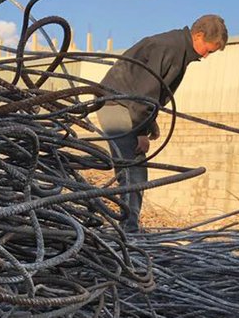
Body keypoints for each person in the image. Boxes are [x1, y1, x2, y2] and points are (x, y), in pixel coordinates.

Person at [97, 14, 228, 233]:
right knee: (131, 168)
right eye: (209, 50)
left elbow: (152, 93)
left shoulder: (177, 48)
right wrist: (141, 130)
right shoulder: (171, 49)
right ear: (198, 35)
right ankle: (127, 231)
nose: (206, 56)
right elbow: (145, 92)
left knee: (134, 167)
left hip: (126, 104)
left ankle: (129, 227)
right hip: (115, 103)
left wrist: (149, 125)